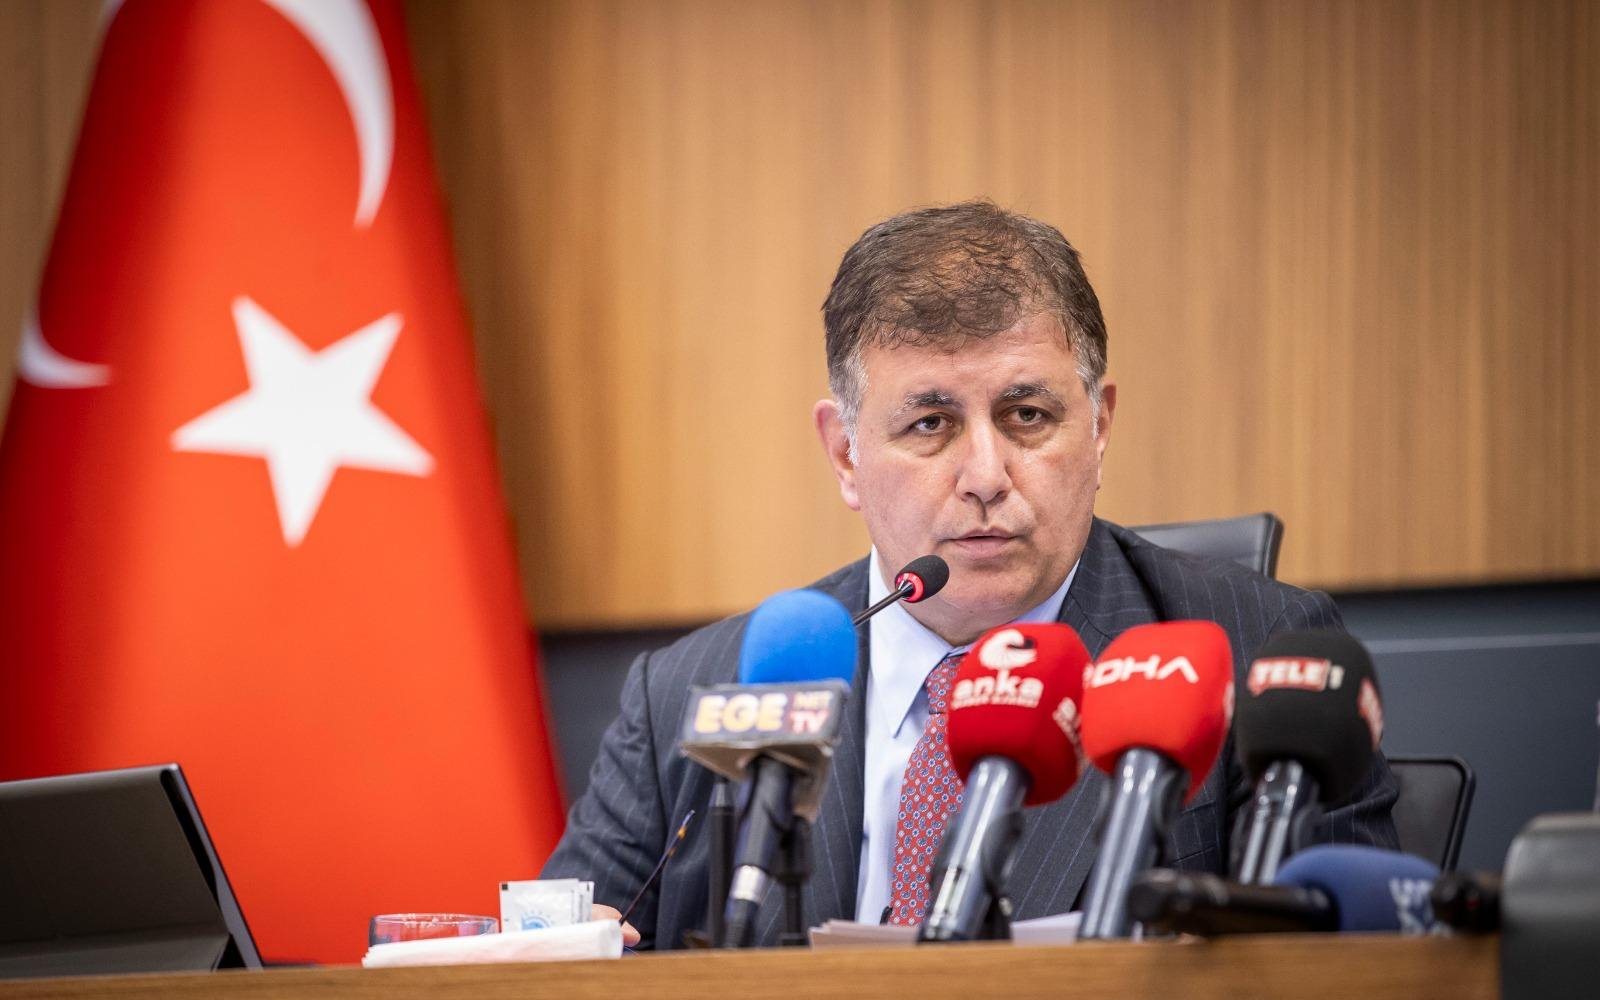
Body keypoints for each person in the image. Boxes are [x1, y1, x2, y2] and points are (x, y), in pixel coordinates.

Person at [541, 201, 1398, 949]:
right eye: (930, 424)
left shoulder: (1262, 656)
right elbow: (554, 954)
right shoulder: (690, 695)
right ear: (845, 454)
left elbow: (1363, 973)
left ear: (1099, 428)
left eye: (1027, 415)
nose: (986, 475)